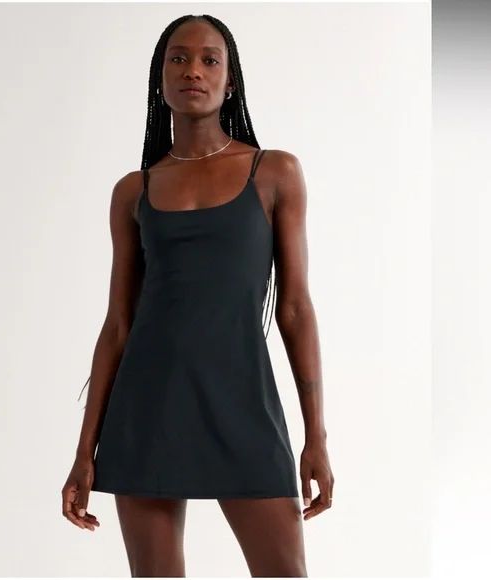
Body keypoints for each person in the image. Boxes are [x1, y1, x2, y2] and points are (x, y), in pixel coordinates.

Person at [62, 14, 334, 578]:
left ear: (229, 82)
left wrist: (316, 436)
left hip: (243, 405)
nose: (194, 70)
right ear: (160, 77)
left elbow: (294, 309)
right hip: (147, 409)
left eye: (211, 60)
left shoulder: (273, 172)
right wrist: (84, 452)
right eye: (179, 59)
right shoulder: (133, 191)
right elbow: (118, 324)